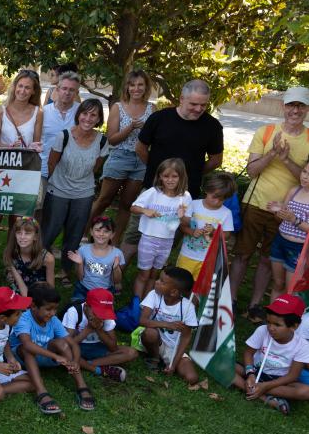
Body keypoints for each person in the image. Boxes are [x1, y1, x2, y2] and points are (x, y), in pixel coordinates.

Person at [230, 87, 309, 318]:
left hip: (286, 210)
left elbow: (306, 178)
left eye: (301, 106)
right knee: (242, 254)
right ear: (283, 106)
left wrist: (286, 159)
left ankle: (255, 305)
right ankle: (232, 300)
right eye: (291, 105)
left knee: (267, 258)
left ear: (306, 109)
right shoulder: (265, 132)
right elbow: (252, 171)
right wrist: (273, 153)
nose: (295, 110)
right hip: (255, 203)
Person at [128, 79, 223, 261]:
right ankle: (116, 279)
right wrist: (157, 172)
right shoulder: (159, 118)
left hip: (185, 196)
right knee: (134, 236)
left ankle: (157, 281)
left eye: (203, 105)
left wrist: (191, 174)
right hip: (152, 190)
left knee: (169, 240)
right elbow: (140, 147)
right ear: (181, 99)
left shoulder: (212, 126)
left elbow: (216, 160)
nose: (198, 109)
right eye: (193, 104)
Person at [0, 70, 43, 281]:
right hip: (1, 170)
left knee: (16, 221)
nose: (23, 90)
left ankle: (11, 264)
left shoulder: (38, 112)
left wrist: (35, 147)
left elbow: (35, 144)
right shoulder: (2, 111)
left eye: (28, 87)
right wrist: (8, 146)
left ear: (33, 91)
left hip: (23, 172)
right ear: (14, 87)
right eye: (20, 86)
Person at [42, 99, 107, 281]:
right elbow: (51, 163)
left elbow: (95, 167)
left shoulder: (102, 141)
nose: (88, 118)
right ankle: (38, 265)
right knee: (50, 230)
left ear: (99, 118)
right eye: (85, 113)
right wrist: (58, 183)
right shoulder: (63, 136)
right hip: (58, 189)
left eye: (93, 114)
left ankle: (65, 270)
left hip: (84, 193)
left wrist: (79, 181)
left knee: (75, 233)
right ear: (79, 115)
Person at [90, 69, 155, 243]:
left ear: (146, 87)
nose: (136, 88)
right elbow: (112, 140)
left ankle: (115, 240)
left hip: (141, 160)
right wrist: (131, 127)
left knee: (127, 204)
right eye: (132, 85)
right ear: (127, 87)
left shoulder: (152, 108)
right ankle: (83, 234)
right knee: (104, 200)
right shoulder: (118, 107)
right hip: (120, 157)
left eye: (140, 84)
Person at [10, 284, 94, 415]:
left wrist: (75, 361)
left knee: (62, 343)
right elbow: (27, 344)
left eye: (55, 309)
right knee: (28, 349)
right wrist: (55, 356)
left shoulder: (53, 320)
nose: (53, 313)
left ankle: (81, 385)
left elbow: (73, 344)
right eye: (48, 309)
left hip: (43, 356)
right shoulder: (23, 318)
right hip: (21, 359)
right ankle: (41, 392)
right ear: (33, 306)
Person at [232, 294, 309, 414]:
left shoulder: (303, 346)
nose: (271, 328)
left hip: (279, 381)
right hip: (255, 371)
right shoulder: (262, 330)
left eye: (277, 325)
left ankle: (252, 388)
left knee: (305, 391)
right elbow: (248, 353)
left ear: (294, 326)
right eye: (269, 322)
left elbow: (292, 376)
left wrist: (266, 386)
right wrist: (250, 373)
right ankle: (266, 398)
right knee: (223, 363)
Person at [131, 158, 191, 299]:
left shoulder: (185, 197)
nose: (170, 180)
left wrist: (182, 216)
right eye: (166, 176)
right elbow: (133, 207)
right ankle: (136, 304)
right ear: (160, 177)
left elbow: (187, 221)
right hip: (149, 239)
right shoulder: (153, 192)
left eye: (174, 176)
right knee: (144, 274)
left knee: (154, 274)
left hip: (167, 242)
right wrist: (145, 211)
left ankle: (147, 301)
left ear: (181, 177)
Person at [138, 267, 199, 385]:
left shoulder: (188, 308)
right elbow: (142, 321)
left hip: (173, 348)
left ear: (174, 292)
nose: (156, 282)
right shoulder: (154, 295)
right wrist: (167, 324)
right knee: (150, 333)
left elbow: (186, 338)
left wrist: (174, 364)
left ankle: (168, 363)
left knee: (191, 378)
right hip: (154, 340)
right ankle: (154, 358)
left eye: (162, 282)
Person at [62, 288, 137, 382]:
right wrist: (88, 329)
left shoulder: (107, 317)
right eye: (96, 312)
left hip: (96, 347)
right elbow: (66, 344)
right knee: (65, 351)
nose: (100, 316)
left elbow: (113, 347)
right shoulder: (74, 312)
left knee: (131, 352)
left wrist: (99, 330)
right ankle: (98, 369)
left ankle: (85, 364)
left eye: (103, 313)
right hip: (76, 348)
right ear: (86, 306)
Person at [177, 173, 236, 279]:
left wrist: (214, 231)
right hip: (187, 255)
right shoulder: (194, 204)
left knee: (199, 290)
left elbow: (227, 235)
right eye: (214, 197)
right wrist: (192, 232)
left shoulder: (226, 213)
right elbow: (182, 225)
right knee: (181, 282)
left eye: (222, 199)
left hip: (209, 259)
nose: (217, 201)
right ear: (207, 190)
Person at [268, 162, 309, 301]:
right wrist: (277, 210)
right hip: (280, 241)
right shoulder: (294, 190)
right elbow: (280, 218)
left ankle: (285, 321)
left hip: (299, 248)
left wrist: (293, 219)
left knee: (291, 290)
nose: (305, 177)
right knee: (277, 284)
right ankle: (271, 321)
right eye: (304, 172)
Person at [67, 216, 124, 303]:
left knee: (100, 315)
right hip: (83, 288)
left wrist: (115, 268)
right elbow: (79, 277)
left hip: (105, 290)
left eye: (106, 231)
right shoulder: (83, 250)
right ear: (91, 232)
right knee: (76, 310)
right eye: (97, 230)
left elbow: (117, 281)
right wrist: (80, 263)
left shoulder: (117, 253)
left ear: (112, 235)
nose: (101, 234)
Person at [4, 217, 55, 296]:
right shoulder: (11, 253)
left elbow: (50, 289)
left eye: (27, 233)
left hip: (40, 293)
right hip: (19, 290)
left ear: (35, 237)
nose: (22, 237)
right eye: (19, 233)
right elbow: (19, 283)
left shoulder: (47, 258)